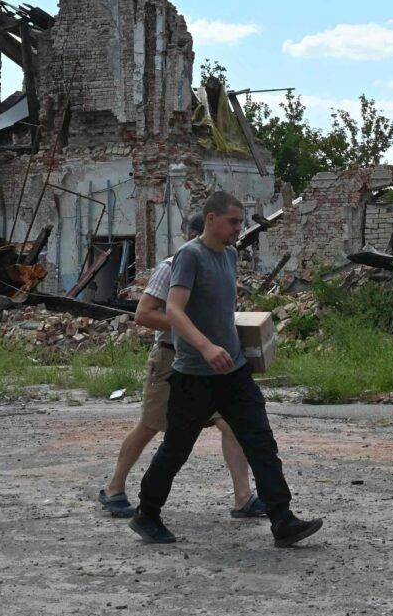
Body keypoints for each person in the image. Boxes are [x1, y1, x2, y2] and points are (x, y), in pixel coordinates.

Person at [132, 190, 324, 548]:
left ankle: (282, 519)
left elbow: (220, 311)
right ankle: (147, 513)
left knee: (260, 442)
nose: (239, 228)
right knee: (176, 448)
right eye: (233, 221)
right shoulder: (189, 256)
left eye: (240, 221)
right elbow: (173, 310)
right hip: (194, 375)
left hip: (233, 372)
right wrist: (205, 347)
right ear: (211, 219)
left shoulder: (231, 255)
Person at [97, 212, 268, 520]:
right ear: (197, 236)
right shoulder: (171, 267)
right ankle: (114, 489)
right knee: (150, 426)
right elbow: (144, 314)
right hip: (171, 360)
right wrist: (194, 329)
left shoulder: (221, 263)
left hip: (210, 365)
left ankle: (244, 499)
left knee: (231, 424)